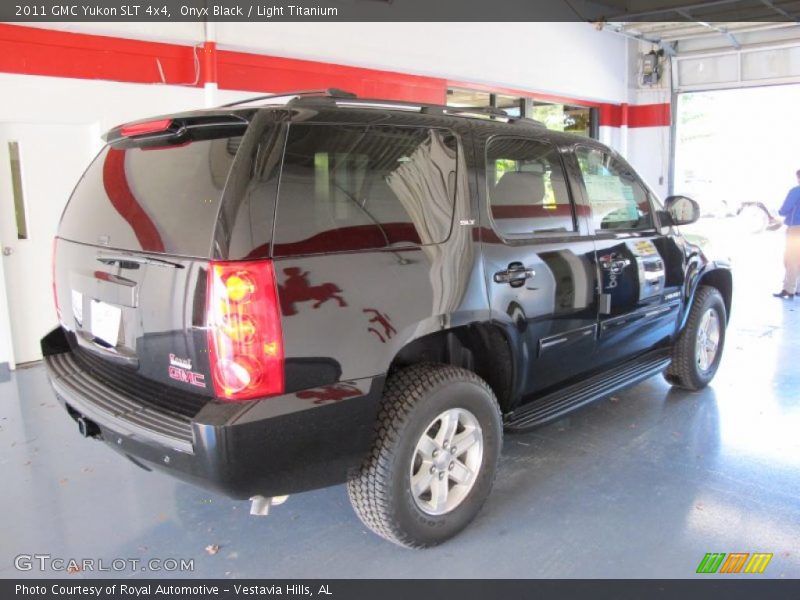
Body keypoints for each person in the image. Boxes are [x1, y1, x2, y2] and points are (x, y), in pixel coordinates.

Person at [774, 169, 800, 299]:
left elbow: (784, 210)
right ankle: (798, 289)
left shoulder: (796, 191)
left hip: (796, 229)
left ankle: (789, 290)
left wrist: (780, 212)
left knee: (791, 260)